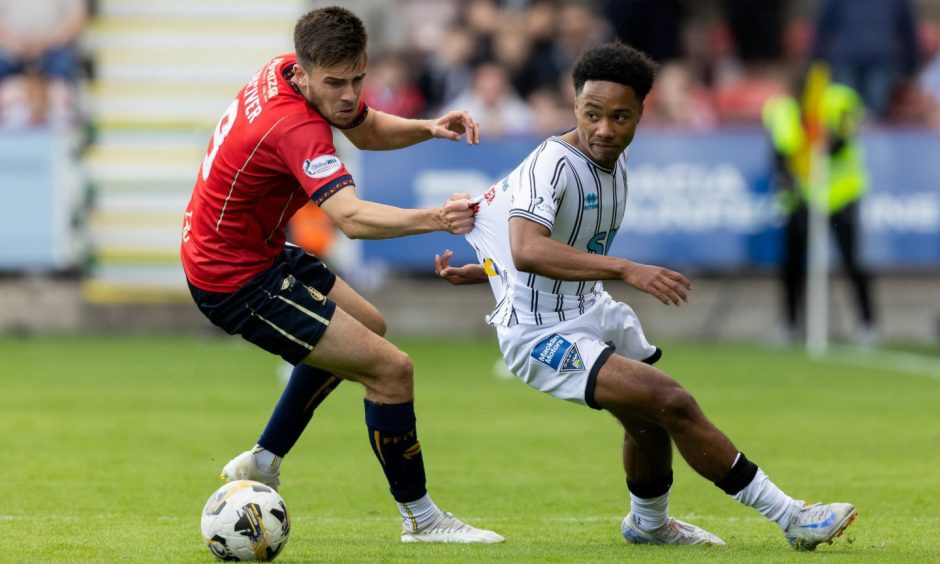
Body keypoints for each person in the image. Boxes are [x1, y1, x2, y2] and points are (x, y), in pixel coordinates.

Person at [435, 42, 856, 550]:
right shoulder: (553, 162)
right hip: (540, 333)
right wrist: (627, 268)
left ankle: (649, 525)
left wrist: (484, 270)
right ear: (575, 107)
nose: (604, 129)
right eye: (592, 114)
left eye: (619, 116)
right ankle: (792, 517)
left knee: (650, 424)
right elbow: (527, 249)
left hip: (589, 308)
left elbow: (521, 238)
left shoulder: (616, 162)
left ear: (639, 114)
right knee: (670, 400)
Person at [181, 6, 502, 544]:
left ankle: (264, 459)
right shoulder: (294, 125)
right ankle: (421, 521)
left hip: (255, 250)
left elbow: (366, 126)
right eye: (336, 83)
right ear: (306, 75)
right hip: (232, 278)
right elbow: (350, 218)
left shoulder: (287, 70)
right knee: (391, 370)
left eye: (358, 77)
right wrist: (434, 218)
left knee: (368, 326)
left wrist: (428, 127)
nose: (349, 94)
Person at [763, 82, 876, 344]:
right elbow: (779, 151)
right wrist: (785, 175)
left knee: (851, 260)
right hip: (803, 196)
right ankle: (790, 325)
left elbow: (844, 139)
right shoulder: (781, 110)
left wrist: (820, 138)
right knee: (792, 262)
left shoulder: (840, 100)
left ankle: (867, 325)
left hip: (841, 194)